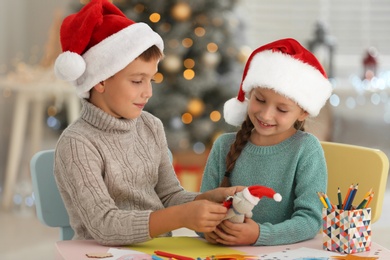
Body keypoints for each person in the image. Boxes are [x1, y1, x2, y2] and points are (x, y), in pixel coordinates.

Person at [53, 0, 241, 246]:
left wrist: (205, 200)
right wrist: (181, 216)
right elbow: (105, 225)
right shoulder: (77, 143)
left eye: (151, 79)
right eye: (137, 81)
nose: (148, 92)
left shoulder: (150, 126)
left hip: (156, 250)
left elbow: (169, 195)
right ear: (100, 81)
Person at [198, 38, 333, 246]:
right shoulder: (223, 146)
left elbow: (311, 220)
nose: (266, 115)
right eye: (260, 100)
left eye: (282, 109)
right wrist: (209, 231)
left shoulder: (306, 149)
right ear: (249, 93)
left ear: (303, 112)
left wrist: (260, 234)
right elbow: (202, 208)